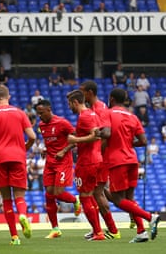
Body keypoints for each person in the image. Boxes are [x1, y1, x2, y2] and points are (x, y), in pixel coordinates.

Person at [0, 84, 36, 245]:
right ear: (9, 97)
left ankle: (14, 237)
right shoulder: (20, 113)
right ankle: (23, 215)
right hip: (18, 157)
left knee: (6, 198)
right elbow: (32, 136)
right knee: (20, 196)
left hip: (0, 158)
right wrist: (24, 148)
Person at [103, 88, 160, 243]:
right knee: (129, 198)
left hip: (117, 161)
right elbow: (143, 141)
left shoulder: (108, 113)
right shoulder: (133, 116)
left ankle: (150, 217)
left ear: (111, 99)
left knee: (117, 199)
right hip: (132, 159)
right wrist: (128, 144)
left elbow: (106, 135)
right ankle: (141, 232)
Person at [35, 100, 81, 238]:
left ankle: (75, 200)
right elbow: (50, 141)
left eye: (42, 113)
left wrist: (64, 150)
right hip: (49, 162)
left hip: (63, 162)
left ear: (49, 109)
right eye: (38, 114)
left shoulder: (62, 123)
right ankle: (55, 229)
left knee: (57, 192)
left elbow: (77, 138)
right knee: (48, 195)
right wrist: (45, 149)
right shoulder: (41, 125)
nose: (40, 116)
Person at [79, 80, 120, 239]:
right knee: (98, 192)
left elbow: (106, 133)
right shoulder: (93, 108)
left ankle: (112, 229)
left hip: (100, 157)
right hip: (98, 156)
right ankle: (100, 229)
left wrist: (97, 154)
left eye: (82, 91)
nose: (81, 94)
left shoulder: (100, 108)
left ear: (89, 92)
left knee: (97, 192)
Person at [66, 90, 105, 241]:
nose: (69, 107)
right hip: (96, 159)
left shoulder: (85, 116)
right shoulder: (93, 114)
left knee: (84, 197)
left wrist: (76, 140)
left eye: (70, 104)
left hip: (87, 161)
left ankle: (98, 232)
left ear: (75, 102)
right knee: (90, 195)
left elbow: (95, 135)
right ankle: (97, 230)